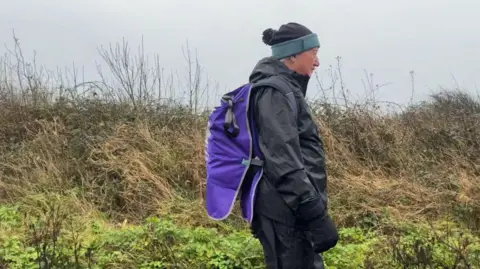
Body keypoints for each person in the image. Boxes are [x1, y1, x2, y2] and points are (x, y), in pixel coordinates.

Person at [248, 22, 338, 269]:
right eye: (314, 53)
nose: (317, 62)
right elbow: (283, 160)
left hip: (292, 210)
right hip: (284, 212)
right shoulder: (275, 92)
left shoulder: (286, 89)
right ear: (293, 54)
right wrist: (314, 212)